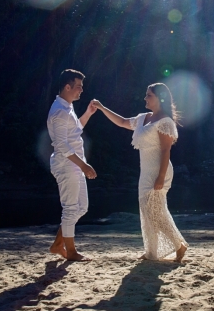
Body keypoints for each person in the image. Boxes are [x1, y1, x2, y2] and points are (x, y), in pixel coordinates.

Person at [92, 83, 188, 262]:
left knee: (155, 212)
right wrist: (102, 108)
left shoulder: (165, 122)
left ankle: (179, 245)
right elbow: (121, 122)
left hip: (160, 171)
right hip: (146, 172)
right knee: (147, 211)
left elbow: (166, 151)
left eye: (148, 95)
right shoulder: (143, 118)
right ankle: (152, 252)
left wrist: (160, 177)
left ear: (160, 98)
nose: (145, 98)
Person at [47, 69, 98, 261]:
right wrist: (84, 166)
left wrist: (88, 113)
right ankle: (71, 251)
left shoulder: (67, 107)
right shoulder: (59, 111)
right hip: (67, 164)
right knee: (70, 208)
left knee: (81, 207)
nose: (81, 91)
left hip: (75, 164)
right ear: (67, 87)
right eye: (78, 87)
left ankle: (58, 244)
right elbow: (61, 145)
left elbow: (75, 131)